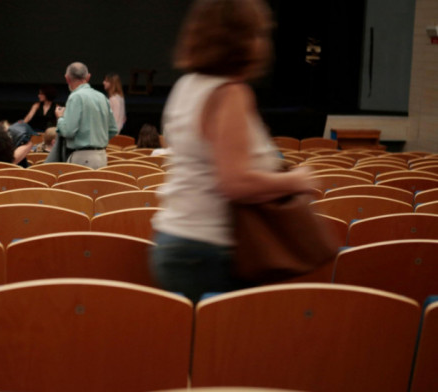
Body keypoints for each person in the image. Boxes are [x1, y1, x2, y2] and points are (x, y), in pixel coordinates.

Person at [149, 0, 317, 304]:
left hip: (175, 241)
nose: (263, 43)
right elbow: (235, 182)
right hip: (209, 252)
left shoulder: (186, 85)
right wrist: (298, 181)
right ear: (241, 39)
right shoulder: (230, 93)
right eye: (259, 33)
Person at [55, 62, 118, 169]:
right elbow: (113, 129)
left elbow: (68, 131)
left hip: (82, 157)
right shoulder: (102, 97)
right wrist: (98, 140)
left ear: (67, 78)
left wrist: (60, 118)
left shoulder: (75, 97)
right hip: (102, 156)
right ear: (88, 77)